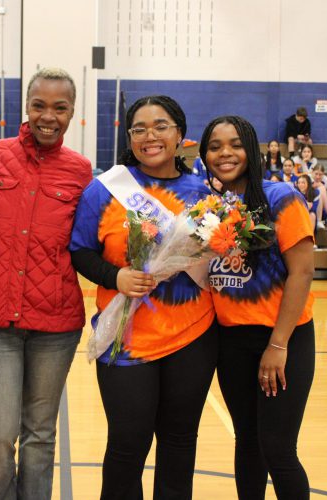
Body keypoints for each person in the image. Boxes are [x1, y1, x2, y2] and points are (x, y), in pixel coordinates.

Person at [70, 95, 218, 499]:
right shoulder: (104, 190)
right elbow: (80, 250)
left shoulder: (204, 192)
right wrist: (115, 276)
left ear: (180, 135)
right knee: (127, 442)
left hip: (193, 335)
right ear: (130, 137)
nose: (149, 136)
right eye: (139, 129)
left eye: (161, 126)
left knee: (179, 440)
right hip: (126, 337)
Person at [0, 68, 92, 500]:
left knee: (40, 436)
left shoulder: (81, 172)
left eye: (59, 107)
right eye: (39, 105)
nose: (48, 116)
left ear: (72, 113)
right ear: (26, 107)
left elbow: (93, 242)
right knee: (1, 436)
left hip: (56, 326)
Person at [200, 115, 315, 500]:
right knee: (247, 441)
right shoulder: (209, 209)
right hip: (231, 342)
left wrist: (278, 345)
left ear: (250, 149)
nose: (225, 153)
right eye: (215, 147)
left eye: (234, 144)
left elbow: (301, 273)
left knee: (278, 447)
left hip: (284, 338)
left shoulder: (282, 198)